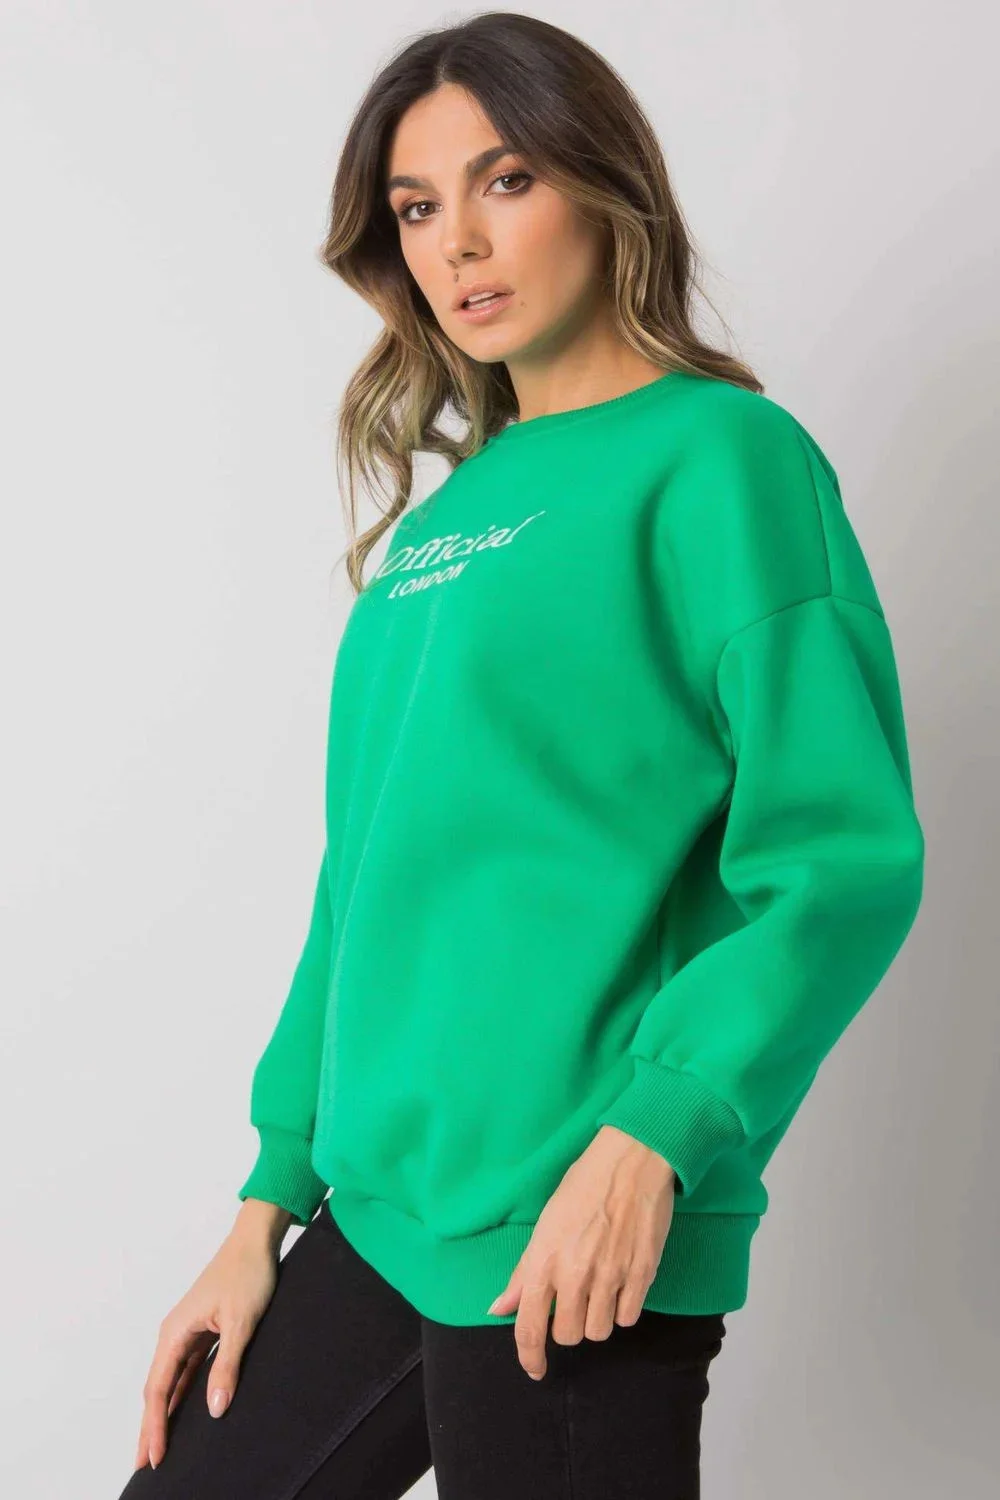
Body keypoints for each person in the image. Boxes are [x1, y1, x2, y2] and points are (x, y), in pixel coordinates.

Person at [116, 12, 925, 1500]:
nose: (459, 245)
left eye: (504, 181)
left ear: (602, 184)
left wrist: (653, 1137)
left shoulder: (723, 460)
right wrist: (263, 1203)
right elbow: (364, 885)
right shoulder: (436, 531)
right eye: (417, 208)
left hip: (579, 1217)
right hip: (383, 1206)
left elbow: (837, 859)